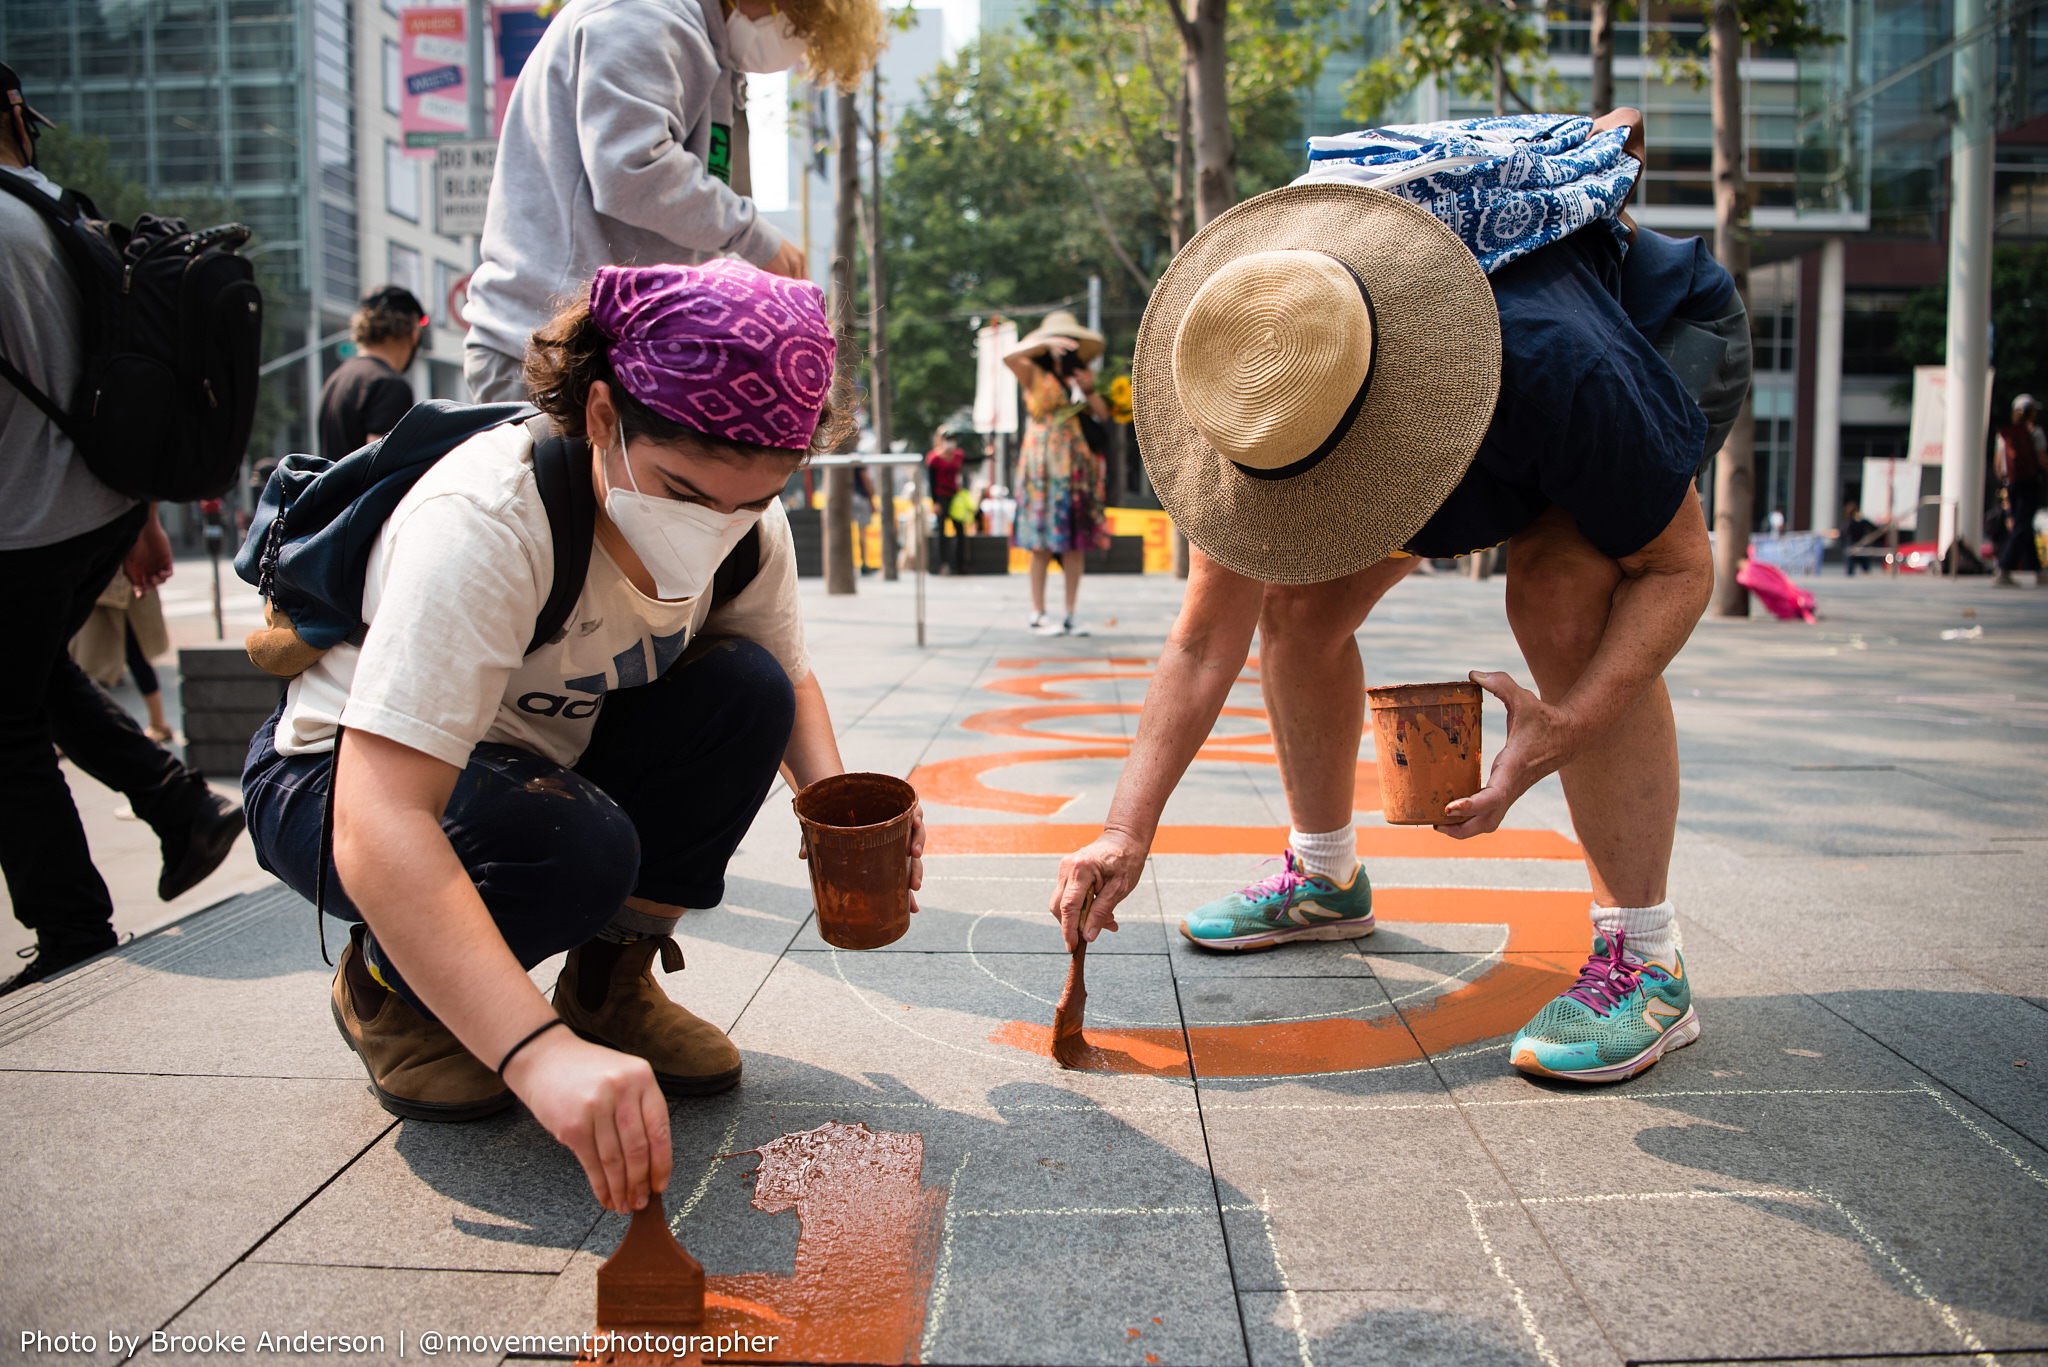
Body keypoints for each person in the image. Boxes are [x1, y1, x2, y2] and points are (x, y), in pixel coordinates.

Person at [1050, 111, 1750, 1086]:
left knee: (1558, 592)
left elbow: (1676, 568)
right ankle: (1325, 874)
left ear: (1391, 424)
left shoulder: (1559, 362)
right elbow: (1203, 643)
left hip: (1652, 329)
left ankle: (1646, 955)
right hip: (1459, 410)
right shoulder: (1259, 361)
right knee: (1297, 607)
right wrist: (1125, 827)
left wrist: (1568, 722)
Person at [242, 259, 923, 1215]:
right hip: (330, 781)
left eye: (753, 500)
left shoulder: (741, 528)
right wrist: (534, 1056)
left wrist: (841, 816)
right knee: (574, 845)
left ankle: (610, 985)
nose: (713, 527)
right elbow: (378, 815)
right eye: (686, 489)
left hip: (535, 766)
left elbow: (784, 675)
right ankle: (388, 989)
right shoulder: (486, 521)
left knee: (745, 689)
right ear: (603, 416)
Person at [0, 62, 244, 995]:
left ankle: (70, 925)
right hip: (94, 509)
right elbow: (116, 380)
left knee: (5, 722)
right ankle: (177, 802)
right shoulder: (63, 213)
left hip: (22, 520)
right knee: (34, 679)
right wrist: (139, 513)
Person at [461, 0, 883, 404]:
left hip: (589, 346)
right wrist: (753, 236)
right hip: (546, 350)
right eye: (798, 21)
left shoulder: (693, 42)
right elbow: (630, 170)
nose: (794, 42)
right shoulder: (642, 17)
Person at [1005, 311, 1111, 636]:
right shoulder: (1033, 371)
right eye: (1059, 339)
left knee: (1074, 543)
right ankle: (1037, 612)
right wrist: (1042, 342)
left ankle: (1070, 613)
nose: (1065, 346)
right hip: (1042, 463)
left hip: (1075, 464)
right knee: (1040, 542)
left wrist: (1089, 390)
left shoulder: (1081, 375)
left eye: (1069, 340)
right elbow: (1008, 357)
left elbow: (1104, 415)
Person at [319, 286, 425, 461]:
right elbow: (382, 468)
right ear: (413, 332)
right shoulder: (389, 385)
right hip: (364, 489)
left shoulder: (337, 378)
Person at [70, 570, 176, 742]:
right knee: (79, 660)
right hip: (92, 587)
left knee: (135, 654)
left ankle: (159, 722)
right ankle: (68, 732)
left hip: (120, 585)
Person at [1993, 394, 2045, 587]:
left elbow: (1998, 466)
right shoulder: (2035, 432)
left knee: (2024, 525)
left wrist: (2005, 485)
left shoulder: (2004, 435)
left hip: (2012, 484)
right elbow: (2042, 460)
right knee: (2022, 526)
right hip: (2029, 483)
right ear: (2030, 412)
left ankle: (2039, 572)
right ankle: (2004, 569)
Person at [927, 424, 968, 574]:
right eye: (947, 438)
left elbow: (971, 460)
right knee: (941, 532)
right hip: (941, 496)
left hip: (955, 497)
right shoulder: (934, 458)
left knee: (960, 530)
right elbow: (931, 482)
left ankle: (959, 564)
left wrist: (987, 455)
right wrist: (935, 502)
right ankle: (942, 564)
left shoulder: (958, 455)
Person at [1841, 498, 1878, 576]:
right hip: (1860, 546)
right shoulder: (1862, 521)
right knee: (1864, 569)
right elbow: (1874, 528)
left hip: (1853, 546)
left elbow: (1844, 534)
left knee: (1851, 571)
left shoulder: (1849, 523)